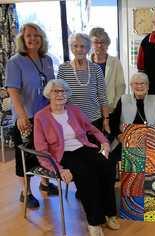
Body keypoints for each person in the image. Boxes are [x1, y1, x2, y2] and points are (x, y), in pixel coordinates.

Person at [34, 79, 117, 236]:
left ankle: (109, 213)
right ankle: (94, 221)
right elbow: (41, 150)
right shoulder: (41, 117)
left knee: (107, 165)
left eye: (63, 91)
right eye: (56, 91)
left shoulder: (73, 110)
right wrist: (59, 169)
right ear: (48, 95)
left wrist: (104, 143)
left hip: (83, 146)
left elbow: (92, 129)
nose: (60, 94)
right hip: (62, 154)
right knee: (86, 174)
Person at [5, 23, 57, 209]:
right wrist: (21, 116)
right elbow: (13, 90)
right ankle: (25, 192)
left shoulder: (47, 60)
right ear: (22, 38)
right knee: (25, 155)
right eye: (29, 35)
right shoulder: (15, 61)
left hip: (46, 117)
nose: (33, 38)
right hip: (26, 117)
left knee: (45, 150)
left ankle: (45, 183)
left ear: (41, 38)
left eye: (36, 35)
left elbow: (51, 86)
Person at [57, 33, 110, 133]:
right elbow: (59, 96)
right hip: (71, 121)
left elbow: (103, 97)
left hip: (94, 121)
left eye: (82, 46)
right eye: (75, 46)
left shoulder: (96, 69)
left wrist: (106, 120)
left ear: (88, 48)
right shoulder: (63, 69)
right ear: (71, 48)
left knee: (94, 148)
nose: (79, 49)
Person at [109, 72, 155, 162]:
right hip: (125, 141)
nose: (139, 86)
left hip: (149, 142)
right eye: (136, 83)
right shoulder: (124, 99)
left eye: (142, 83)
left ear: (148, 86)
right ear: (131, 86)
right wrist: (119, 135)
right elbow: (113, 121)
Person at [89, 27, 126, 112]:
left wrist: (113, 106)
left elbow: (120, 87)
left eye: (103, 42)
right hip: (91, 111)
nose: (99, 45)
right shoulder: (86, 63)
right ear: (91, 44)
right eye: (96, 42)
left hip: (111, 109)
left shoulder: (115, 62)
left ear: (107, 44)